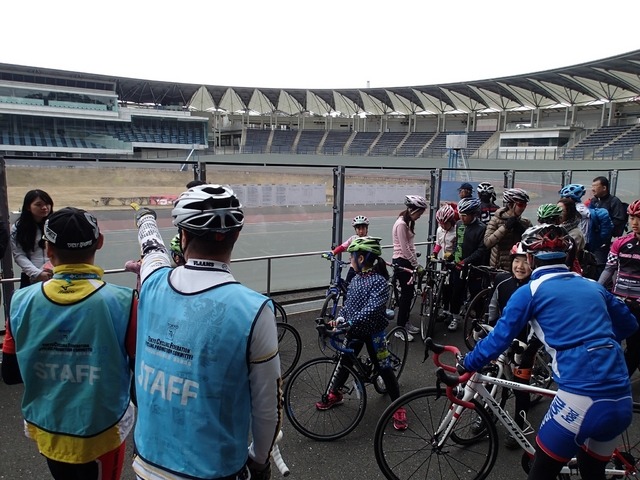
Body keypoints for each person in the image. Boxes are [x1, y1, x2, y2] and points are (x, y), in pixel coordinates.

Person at [462, 224, 638, 480]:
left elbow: (498, 340)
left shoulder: (529, 292)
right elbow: (629, 325)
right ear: (566, 256)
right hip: (621, 398)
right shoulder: (593, 286)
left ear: (531, 259)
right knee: (593, 473)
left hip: (580, 399)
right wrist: (598, 341)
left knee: (540, 472)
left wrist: (467, 363)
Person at [132, 184, 281, 480]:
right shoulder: (255, 309)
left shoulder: (152, 281)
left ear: (183, 236)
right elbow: (267, 408)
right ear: (236, 235)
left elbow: (151, 248)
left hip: (148, 463)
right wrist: (260, 459)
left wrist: (145, 218)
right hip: (214, 470)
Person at [1, 207, 137, 480]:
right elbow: (138, 374)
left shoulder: (20, 301)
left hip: (47, 427)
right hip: (103, 429)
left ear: (48, 248)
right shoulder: (124, 301)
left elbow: (11, 374)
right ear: (99, 242)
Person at [315, 236, 407, 430]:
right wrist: (340, 319)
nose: (350, 260)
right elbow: (349, 305)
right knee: (345, 362)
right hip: (355, 330)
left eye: (352, 256)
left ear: (362, 259)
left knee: (384, 367)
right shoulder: (356, 279)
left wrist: (349, 322)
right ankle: (335, 393)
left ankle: (398, 406)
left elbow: (372, 308)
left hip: (375, 333)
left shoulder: (380, 282)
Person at [485, 242, 538, 449]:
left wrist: (531, 348)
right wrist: (487, 329)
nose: (520, 266)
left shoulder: (535, 286)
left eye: (526, 262)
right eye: (517, 261)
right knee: (490, 375)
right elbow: (492, 307)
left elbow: (538, 322)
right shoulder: (502, 280)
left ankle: (520, 424)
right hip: (503, 337)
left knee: (520, 386)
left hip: (526, 343)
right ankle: (485, 413)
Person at [598, 199, 640, 376]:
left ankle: (621, 384)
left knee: (634, 348)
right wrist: (596, 290)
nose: (634, 223)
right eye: (631, 218)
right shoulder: (620, 242)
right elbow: (609, 269)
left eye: (638, 218)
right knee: (607, 343)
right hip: (620, 302)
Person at [448, 197, 488, 331]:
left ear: (474, 214)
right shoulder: (459, 224)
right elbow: (457, 243)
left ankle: (479, 319)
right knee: (456, 292)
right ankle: (454, 317)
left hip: (474, 267)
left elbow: (481, 250)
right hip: (458, 266)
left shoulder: (482, 228)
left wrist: (466, 261)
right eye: (461, 214)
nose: (462, 218)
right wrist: (453, 256)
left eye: (465, 215)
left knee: (476, 292)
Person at [391, 194, 428, 341]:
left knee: (409, 295)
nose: (420, 216)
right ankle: (399, 329)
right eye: (420, 212)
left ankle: (405, 323)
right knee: (406, 296)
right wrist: (415, 264)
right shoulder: (401, 224)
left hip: (405, 262)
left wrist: (415, 263)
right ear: (413, 210)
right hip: (401, 262)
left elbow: (410, 246)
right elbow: (405, 249)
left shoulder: (406, 223)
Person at [10, 189, 54, 288]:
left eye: (47, 204)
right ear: (28, 207)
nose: (44, 207)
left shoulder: (56, 224)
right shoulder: (18, 228)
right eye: (38, 204)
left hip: (55, 275)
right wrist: (37, 273)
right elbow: (19, 254)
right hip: (30, 277)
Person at [484, 188, 532, 270]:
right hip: (499, 267)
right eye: (520, 205)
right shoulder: (495, 220)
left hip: (518, 268)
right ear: (510, 205)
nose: (523, 208)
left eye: (525, 205)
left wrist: (524, 233)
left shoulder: (525, 222)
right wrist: (505, 227)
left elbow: (532, 245)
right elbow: (487, 243)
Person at [590, 175, 627, 271]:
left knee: (600, 264)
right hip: (592, 237)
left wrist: (604, 227)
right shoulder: (594, 201)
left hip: (604, 239)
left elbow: (619, 219)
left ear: (604, 188)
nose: (592, 189)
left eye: (595, 186)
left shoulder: (614, 201)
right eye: (592, 186)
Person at [323, 215, 370, 287]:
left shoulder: (370, 240)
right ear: (355, 230)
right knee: (347, 286)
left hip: (365, 269)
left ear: (367, 229)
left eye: (363, 228)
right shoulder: (353, 238)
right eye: (358, 228)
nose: (361, 231)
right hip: (353, 267)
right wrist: (332, 253)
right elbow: (342, 246)